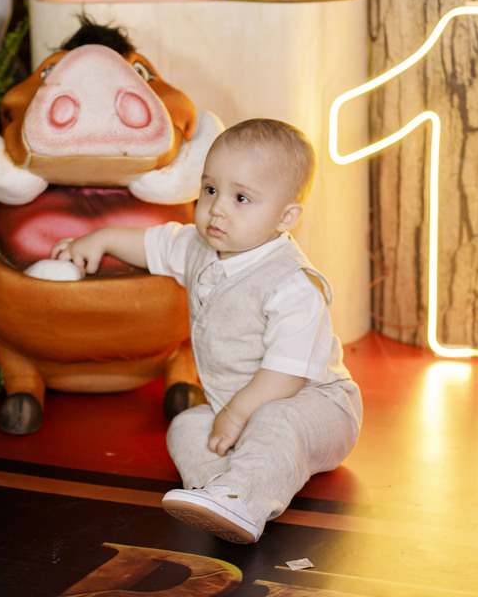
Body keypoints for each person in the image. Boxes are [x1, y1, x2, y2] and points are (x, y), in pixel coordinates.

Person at [51, 118, 362, 543]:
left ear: (286, 216)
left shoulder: (293, 284)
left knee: (276, 418)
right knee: (186, 426)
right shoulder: (199, 246)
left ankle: (243, 497)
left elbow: (286, 377)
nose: (217, 208)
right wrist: (101, 239)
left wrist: (235, 415)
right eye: (210, 189)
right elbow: (151, 244)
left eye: (241, 198)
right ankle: (220, 491)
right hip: (234, 408)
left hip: (315, 407)